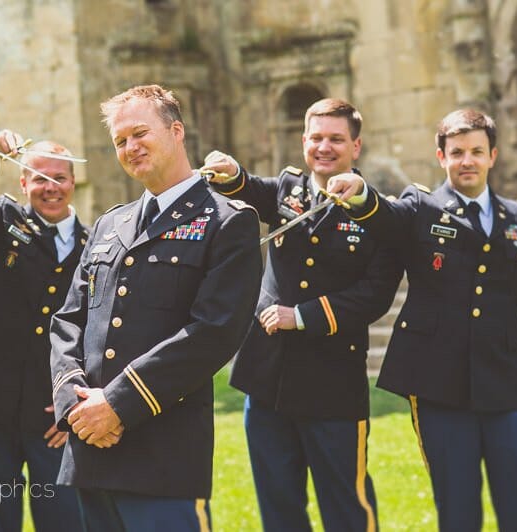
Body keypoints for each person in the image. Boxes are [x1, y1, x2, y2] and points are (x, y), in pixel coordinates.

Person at [328, 108, 517, 531]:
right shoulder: (421, 207)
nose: (466, 160)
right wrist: (361, 192)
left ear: (493, 156)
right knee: (458, 508)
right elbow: (386, 217)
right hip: (440, 386)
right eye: (456, 152)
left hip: (506, 383)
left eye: (476, 151)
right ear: (441, 156)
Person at [48, 84, 262, 531]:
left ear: (177, 131)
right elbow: (69, 319)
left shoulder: (228, 221)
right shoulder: (110, 223)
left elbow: (215, 331)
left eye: (140, 133)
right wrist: (75, 405)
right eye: (120, 141)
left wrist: (118, 403)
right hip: (91, 451)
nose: (130, 147)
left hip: (163, 454)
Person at [202, 98, 402, 532]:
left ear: (356, 146)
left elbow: (375, 295)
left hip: (333, 384)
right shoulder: (288, 190)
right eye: (316, 138)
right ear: (303, 141)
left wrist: (304, 315)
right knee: (279, 509)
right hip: (267, 378)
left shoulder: (379, 214)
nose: (324, 147)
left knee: (347, 508)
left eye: (336, 139)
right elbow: (248, 188)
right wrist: (230, 172)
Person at [0, 132, 88, 531]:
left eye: (59, 178)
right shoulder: (3, 224)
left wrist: (73, 403)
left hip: (53, 418)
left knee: (63, 519)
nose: (51, 187)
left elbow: (99, 329)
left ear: (72, 182)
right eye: (39, 178)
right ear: (24, 183)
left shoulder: (94, 243)